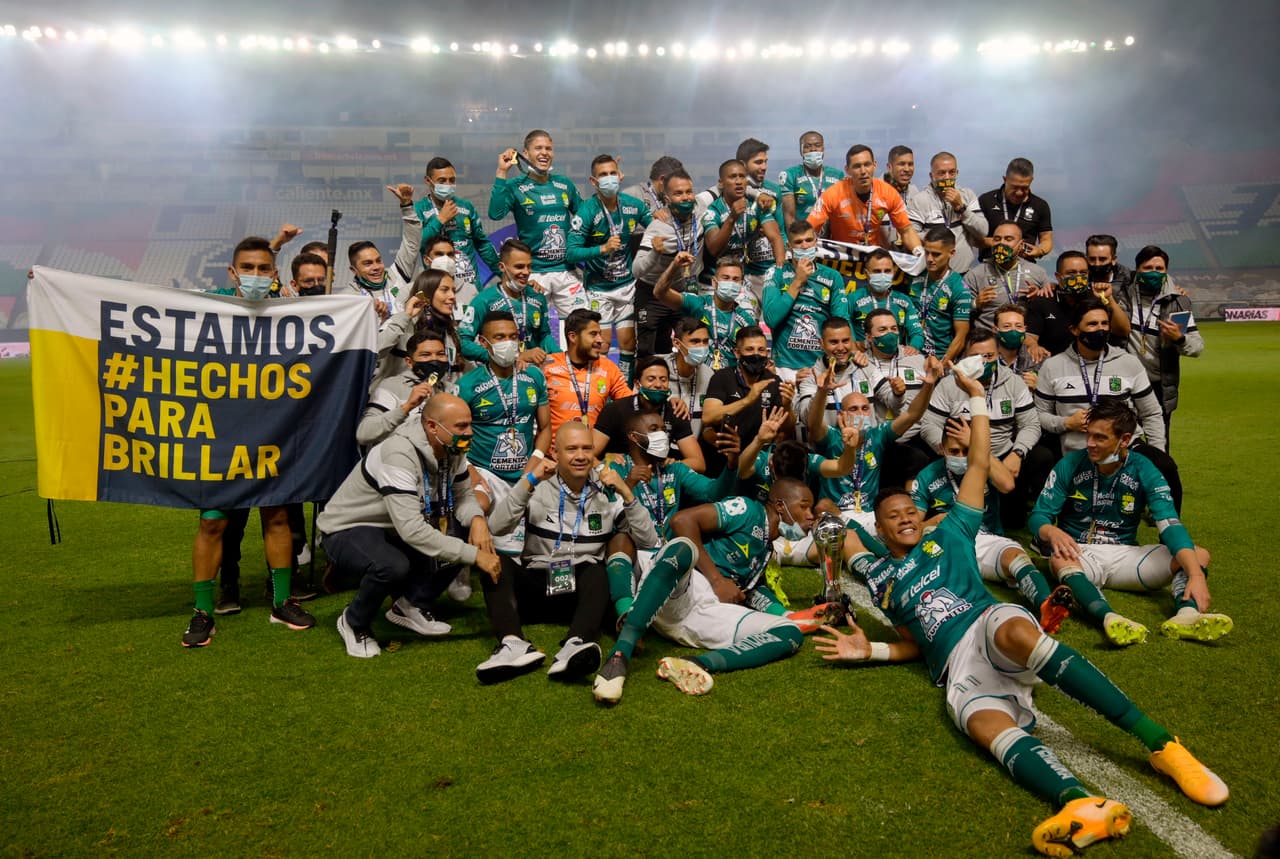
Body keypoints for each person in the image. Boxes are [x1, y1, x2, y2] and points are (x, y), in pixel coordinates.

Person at [819, 366, 1228, 858]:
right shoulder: (882, 581)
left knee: (1012, 628)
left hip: (985, 625)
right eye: (894, 517)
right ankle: (1079, 804)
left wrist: (975, 399)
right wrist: (871, 650)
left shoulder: (949, 533)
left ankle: (1164, 747)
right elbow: (910, 635)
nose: (907, 518)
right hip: (956, 669)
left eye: (911, 511)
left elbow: (975, 466)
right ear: (879, 532)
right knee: (980, 724)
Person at [182, 237, 317, 647]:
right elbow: (142, 303)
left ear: (275, 275)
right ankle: (202, 610)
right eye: (248, 268)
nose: (255, 276)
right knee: (212, 521)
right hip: (221, 432)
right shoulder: (212, 303)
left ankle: (281, 601)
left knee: (276, 517)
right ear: (232, 272)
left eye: (263, 269)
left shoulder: (288, 311)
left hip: (273, 428)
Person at [592, 479, 815, 705]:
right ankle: (620, 654)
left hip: (704, 614)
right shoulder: (748, 510)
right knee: (682, 548)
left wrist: (793, 616)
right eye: (804, 506)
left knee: (788, 632)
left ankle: (696, 664)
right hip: (682, 586)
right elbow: (682, 520)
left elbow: (753, 590)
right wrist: (717, 580)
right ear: (780, 505)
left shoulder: (767, 547)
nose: (810, 516)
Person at [1030, 398, 1231, 646]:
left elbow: (1169, 525)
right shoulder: (1070, 464)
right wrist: (1051, 531)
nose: (1090, 444)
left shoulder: (1144, 468)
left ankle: (1187, 614)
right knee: (1059, 558)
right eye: (1088, 435)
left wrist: (1196, 576)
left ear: (1124, 440)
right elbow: (1039, 516)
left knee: (1198, 556)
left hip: (1127, 555)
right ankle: (1108, 617)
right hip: (1081, 552)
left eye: (1100, 438)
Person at [320, 394, 499, 658]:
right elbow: (411, 530)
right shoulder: (398, 453)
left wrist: (478, 521)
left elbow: (463, 496)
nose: (469, 433)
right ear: (432, 426)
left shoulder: (451, 448)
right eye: (461, 426)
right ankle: (354, 621)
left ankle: (411, 604)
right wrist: (474, 556)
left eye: (469, 424)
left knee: (467, 530)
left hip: (395, 528)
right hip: (349, 527)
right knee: (391, 565)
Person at [480, 422, 661, 683]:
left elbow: (648, 540)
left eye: (587, 448)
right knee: (493, 562)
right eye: (572, 449)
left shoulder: (608, 493)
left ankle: (575, 644)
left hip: (578, 595)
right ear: (556, 452)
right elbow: (496, 526)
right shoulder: (538, 486)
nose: (580, 456)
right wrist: (528, 481)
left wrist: (626, 491)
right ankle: (513, 644)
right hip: (535, 586)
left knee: (597, 571)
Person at [913, 417, 1072, 633]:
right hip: (949, 542)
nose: (961, 456)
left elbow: (1007, 485)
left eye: (966, 450)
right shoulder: (927, 475)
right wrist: (934, 521)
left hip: (986, 539)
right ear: (941, 449)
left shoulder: (984, 465)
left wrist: (979, 448)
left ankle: (1046, 604)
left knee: (1016, 555)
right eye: (954, 451)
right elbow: (913, 528)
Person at [603, 411, 741, 619]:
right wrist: (628, 484)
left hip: (671, 558)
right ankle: (626, 615)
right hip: (636, 558)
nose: (663, 435)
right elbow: (608, 520)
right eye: (654, 430)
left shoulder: (674, 469)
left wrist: (731, 464)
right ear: (633, 436)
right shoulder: (616, 469)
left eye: (663, 430)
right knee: (620, 540)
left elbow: (713, 493)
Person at [455, 310, 551, 559]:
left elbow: (546, 428)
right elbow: (456, 435)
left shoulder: (534, 376)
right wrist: (470, 470)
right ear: (484, 343)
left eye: (512, 336)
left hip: (525, 469)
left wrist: (535, 459)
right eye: (499, 337)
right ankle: (461, 562)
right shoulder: (468, 384)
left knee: (528, 543)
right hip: (484, 469)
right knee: (477, 505)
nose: (507, 343)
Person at [809, 356, 941, 531]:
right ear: (841, 415)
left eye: (865, 409)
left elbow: (912, 415)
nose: (860, 414)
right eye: (853, 409)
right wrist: (821, 392)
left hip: (870, 516)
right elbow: (814, 424)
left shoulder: (877, 435)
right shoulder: (831, 437)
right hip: (835, 514)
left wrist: (929, 385)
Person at [920, 330, 1041, 521]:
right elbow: (929, 425)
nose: (983, 362)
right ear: (964, 358)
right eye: (975, 357)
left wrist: (1017, 453)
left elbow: (1031, 424)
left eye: (988, 356)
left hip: (1001, 454)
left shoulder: (1014, 382)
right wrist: (949, 449)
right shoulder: (949, 384)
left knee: (1013, 519)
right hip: (960, 452)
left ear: (998, 355)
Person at [566, 154, 654, 383]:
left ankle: (622, 389)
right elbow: (571, 252)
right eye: (603, 175)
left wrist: (661, 219)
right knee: (601, 343)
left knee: (628, 343)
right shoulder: (587, 211)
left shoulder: (633, 206)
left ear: (620, 176)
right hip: (599, 290)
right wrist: (601, 249)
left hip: (627, 287)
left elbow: (656, 226)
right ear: (593, 181)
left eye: (612, 173)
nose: (609, 179)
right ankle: (600, 386)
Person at [490, 130, 584, 323]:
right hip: (534, 274)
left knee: (581, 327)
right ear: (525, 154)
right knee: (532, 330)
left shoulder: (564, 184)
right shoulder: (515, 186)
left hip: (567, 272)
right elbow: (495, 213)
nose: (544, 153)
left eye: (548, 148)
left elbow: (585, 216)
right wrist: (502, 172)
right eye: (538, 148)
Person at [1117, 245, 1204, 445]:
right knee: (1124, 442)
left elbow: (1197, 347)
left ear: (1166, 271)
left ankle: (1159, 476)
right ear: (1137, 270)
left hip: (1160, 386)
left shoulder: (1178, 303)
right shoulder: (1122, 297)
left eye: (1159, 269)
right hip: (1126, 384)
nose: (1154, 273)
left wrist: (1179, 338)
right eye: (1148, 268)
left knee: (1160, 444)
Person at [762, 220, 850, 381]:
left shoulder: (832, 276)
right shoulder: (775, 272)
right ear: (789, 246)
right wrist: (797, 282)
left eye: (809, 240)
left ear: (816, 242)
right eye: (798, 242)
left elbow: (842, 321)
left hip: (820, 364)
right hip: (784, 366)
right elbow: (771, 319)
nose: (804, 246)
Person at [854, 309, 934, 486]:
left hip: (913, 440)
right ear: (868, 336)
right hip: (876, 442)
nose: (890, 334)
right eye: (882, 330)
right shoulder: (859, 364)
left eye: (894, 329)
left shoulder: (917, 360)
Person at [633, 168, 704, 357]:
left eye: (689, 191)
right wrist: (655, 254)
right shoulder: (657, 227)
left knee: (691, 346)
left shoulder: (701, 210)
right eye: (678, 193)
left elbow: (723, 187)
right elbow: (637, 270)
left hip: (681, 293)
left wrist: (759, 194)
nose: (686, 197)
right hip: (651, 294)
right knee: (648, 352)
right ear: (667, 197)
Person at [701, 158, 784, 314]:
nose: (739, 181)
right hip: (711, 282)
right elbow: (714, 249)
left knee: (748, 319)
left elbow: (775, 238)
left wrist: (780, 272)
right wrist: (732, 218)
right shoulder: (713, 211)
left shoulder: (756, 205)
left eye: (742, 176)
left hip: (740, 281)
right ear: (721, 182)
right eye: (733, 177)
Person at [593, 357, 704, 472]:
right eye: (651, 379)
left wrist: (674, 465)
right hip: (621, 475)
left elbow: (699, 463)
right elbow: (588, 455)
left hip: (658, 479)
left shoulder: (676, 411)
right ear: (637, 384)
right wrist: (605, 466)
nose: (658, 384)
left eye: (663, 379)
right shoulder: (615, 410)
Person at [459, 239, 559, 365]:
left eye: (529, 266)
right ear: (502, 267)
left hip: (533, 372)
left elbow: (544, 335)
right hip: (499, 375)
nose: (526, 272)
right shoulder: (483, 300)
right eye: (519, 267)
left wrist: (560, 357)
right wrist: (505, 358)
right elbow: (463, 343)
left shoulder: (537, 296)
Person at [416, 156, 500, 306]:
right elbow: (416, 245)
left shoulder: (466, 207)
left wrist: (503, 274)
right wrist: (440, 220)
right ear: (428, 181)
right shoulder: (419, 210)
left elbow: (483, 245)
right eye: (442, 181)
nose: (448, 185)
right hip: (438, 290)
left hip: (471, 287)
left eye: (452, 180)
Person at [807, 145, 922, 253]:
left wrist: (919, 252)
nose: (863, 171)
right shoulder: (833, 194)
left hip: (873, 257)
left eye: (867, 165)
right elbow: (809, 229)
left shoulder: (888, 193)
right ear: (847, 170)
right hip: (841, 258)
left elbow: (906, 231)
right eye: (857, 166)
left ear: (874, 165)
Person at [653, 252, 754, 371]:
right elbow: (660, 293)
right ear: (714, 282)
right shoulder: (698, 304)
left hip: (727, 382)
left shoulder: (747, 320)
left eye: (736, 279)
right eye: (726, 278)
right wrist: (674, 265)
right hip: (696, 376)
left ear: (741, 284)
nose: (731, 283)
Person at [543, 309, 632, 441]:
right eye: (593, 334)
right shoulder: (547, 366)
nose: (600, 340)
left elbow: (631, 406)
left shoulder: (608, 368)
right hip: (554, 457)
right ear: (573, 337)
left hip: (594, 455)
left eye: (600, 334)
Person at [1023, 250, 1130, 358]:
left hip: (1095, 363)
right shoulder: (1043, 301)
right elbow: (1030, 336)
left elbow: (1123, 331)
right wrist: (1033, 346)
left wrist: (1109, 299)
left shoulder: (1098, 297)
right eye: (1071, 273)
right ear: (1058, 277)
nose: (1078, 277)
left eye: (1083, 273)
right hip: (1055, 365)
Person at [357, 330, 451, 447]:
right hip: (397, 460)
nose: (435, 360)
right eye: (425, 355)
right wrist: (407, 407)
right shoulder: (392, 386)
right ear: (410, 362)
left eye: (440, 354)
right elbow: (364, 434)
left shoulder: (449, 390)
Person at [340, 183, 423, 316]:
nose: (376, 267)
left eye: (378, 260)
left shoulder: (396, 275)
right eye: (368, 263)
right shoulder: (348, 298)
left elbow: (411, 244)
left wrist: (407, 206)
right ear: (353, 270)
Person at [701, 326, 787, 449]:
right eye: (749, 349)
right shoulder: (721, 377)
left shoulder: (774, 381)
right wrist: (747, 400)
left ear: (767, 353)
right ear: (737, 353)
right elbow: (708, 417)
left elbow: (786, 429)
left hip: (758, 454)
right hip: (724, 453)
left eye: (761, 350)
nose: (756, 355)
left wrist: (788, 404)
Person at [907, 152, 988, 274]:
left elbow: (982, 231)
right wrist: (939, 244)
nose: (947, 178)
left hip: (963, 273)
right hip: (931, 274)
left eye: (951, 172)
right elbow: (912, 235)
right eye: (941, 173)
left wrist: (961, 208)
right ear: (931, 175)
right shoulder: (919, 200)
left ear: (957, 173)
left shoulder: (967, 195)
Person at [963, 220, 1050, 331]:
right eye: (997, 239)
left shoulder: (1038, 273)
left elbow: (1049, 311)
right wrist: (975, 303)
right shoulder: (975, 274)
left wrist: (1038, 299)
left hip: (1025, 340)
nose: (1001, 243)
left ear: (1021, 244)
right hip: (987, 341)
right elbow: (957, 310)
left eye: (1008, 239)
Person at [907, 226, 971, 362]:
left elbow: (960, 337)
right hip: (911, 354)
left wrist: (942, 364)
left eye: (936, 254)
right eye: (927, 252)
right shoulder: (914, 276)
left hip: (940, 357)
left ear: (952, 253)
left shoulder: (959, 288)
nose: (929, 259)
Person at [978, 158, 1053, 264]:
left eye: (1024, 188)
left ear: (1031, 181)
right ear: (1005, 179)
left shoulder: (1040, 205)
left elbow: (1046, 237)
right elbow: (975, 239)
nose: (1019, 193)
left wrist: (1039, 250)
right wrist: (1001, 243)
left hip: (1025, 267)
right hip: (990, 265)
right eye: (1014, 187)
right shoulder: (986, 200)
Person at [847, 249, 925, 347]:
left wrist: (913, 349)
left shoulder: (904, 301)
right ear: (866, 273)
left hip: (896, 357)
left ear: (894, 272)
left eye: (887, 271)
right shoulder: (852, 299)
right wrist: (854, 349)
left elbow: (917, 334)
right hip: (863, 356)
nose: (883, 275)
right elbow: (844, 331)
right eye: (877, 271)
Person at [663, 317, 716, 441]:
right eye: (695, 341)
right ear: (676, 343)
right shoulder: (658, 369)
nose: (701, 347)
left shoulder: (709, 374)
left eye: (705, 341)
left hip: (694, 448)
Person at [779, 130, 844, 230]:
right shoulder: (790, 175)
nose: (813, 149)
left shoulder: (838, 175)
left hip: (831, 238)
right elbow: (789, 216)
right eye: (807, 146)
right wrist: (795, 241)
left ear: (823, 149)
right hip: (803, 237)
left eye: (817, 145)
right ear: (801, 150)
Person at [993, 303, 1043, 390]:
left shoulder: (1038, 359)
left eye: (1018, 326)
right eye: (1007, 326)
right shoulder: (984, 358)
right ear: (995, 330)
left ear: (1025, 329)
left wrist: (1039, 388)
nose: (1013, 331)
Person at [1084, 234, 1134, 312]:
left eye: (1102, 259)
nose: (1097, 264)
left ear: (1113, 259)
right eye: (1092, 259)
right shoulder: (1080, 281)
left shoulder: (1129, 281)